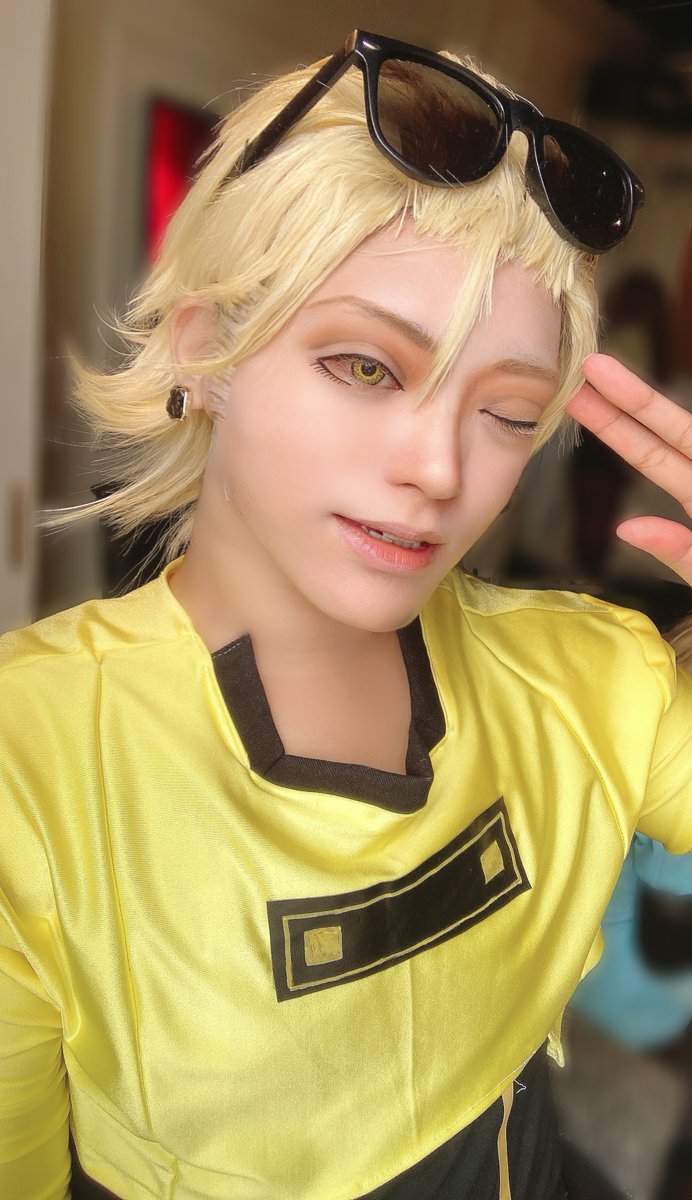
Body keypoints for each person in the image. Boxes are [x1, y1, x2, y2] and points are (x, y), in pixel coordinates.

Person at [1, 28, 691, 1200]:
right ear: (205, 350)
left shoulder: (592, 680)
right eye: (366, 367)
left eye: (506, 413)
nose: (438, 468)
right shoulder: (32, 767)